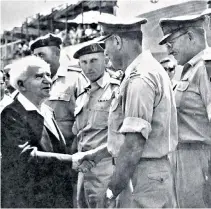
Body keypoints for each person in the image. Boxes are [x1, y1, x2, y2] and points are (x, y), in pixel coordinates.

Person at [98, 15, 178, 208]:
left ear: (117, 41)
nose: (105, 52)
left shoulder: (140, 77)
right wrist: (94, 154)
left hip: (142, 177)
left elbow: (133, 145)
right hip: (151, 174)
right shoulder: (149, 69)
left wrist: (111, 190)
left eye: (105, 44)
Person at [1, 56, 93, 208]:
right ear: (21, 85)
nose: (48, 81)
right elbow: (24, 157)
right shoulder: (11, 114)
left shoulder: (47, 111)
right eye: (39, 76)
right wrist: (71, 161)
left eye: (48, 75)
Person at [159, 14, 211, 208]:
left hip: (201, 160)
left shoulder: (205, 68)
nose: (169, 50)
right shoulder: (188, 70)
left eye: (172, 41)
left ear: (190, 36)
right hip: (184, 159)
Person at [72, 41, 120, 208]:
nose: (88, 67)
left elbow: (122, 135)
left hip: (106, 169)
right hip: (83, 171)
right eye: (84, 62)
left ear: (105, 60)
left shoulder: (116, 89)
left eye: (93, 61)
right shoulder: (82, 94)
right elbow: (80, 134)